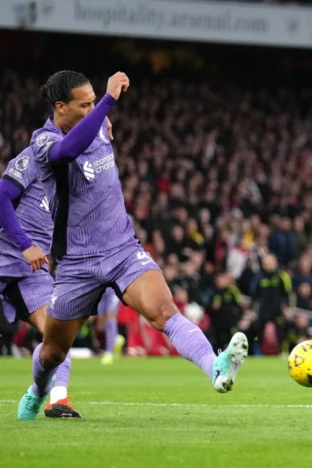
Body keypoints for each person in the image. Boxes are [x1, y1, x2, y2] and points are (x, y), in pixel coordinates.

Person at [17, 70, 248, 420]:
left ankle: (216, 368)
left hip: (123, 249)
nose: (94, 108)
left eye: (95, 101)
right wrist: (107, 103)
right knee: (52, 352)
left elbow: (91, 129)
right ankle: (37, 391)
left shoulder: (98, 125)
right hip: (77, 263)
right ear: (60, 107)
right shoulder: (43, 143)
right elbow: (69, 149)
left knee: (164, 311)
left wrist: (100, 113)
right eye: (86, 104)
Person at [0, 148, 81, 418]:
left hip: (31, 272)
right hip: (6, 257)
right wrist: (25, 245)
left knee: (58, 333)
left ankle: (52, 397)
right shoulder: (36, 156)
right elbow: (1, 195)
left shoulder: (72, 175)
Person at [97, 287, 125, 365]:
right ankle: (116, 338)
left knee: (110, 317)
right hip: (99, 288)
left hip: (112, 289)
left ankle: (109, 352)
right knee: (101, 321)